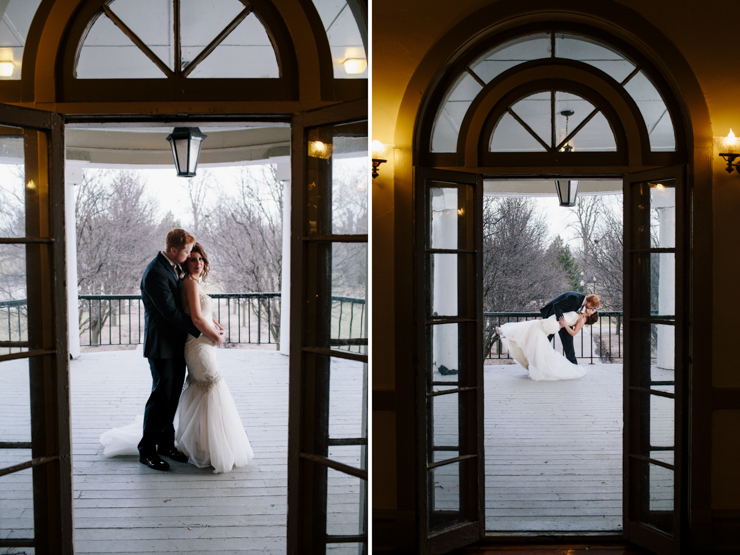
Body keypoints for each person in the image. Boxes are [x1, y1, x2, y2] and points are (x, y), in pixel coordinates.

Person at [137, 229, 225, 471]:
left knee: (172, 396)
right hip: (161, 346)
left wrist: (210, 323)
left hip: (176, 344)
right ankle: (147, 450)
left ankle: (165, 444)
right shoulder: (155, 272)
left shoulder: (173, 267)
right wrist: (204, 332)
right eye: (187, 252)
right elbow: (170, 313)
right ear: (173, 250)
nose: (189, 258)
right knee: (160, 397)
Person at [174, 243, 254, 473]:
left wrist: (219, 329)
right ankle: (210, 448)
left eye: (200, 259)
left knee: (205, 389)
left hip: (206, 345)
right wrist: (217, 339)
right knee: (211, 384)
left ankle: (202, 444)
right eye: (192, 259)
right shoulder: (188, 282)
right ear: (186, 262)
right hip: (197, 346)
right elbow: (197, 319)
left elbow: (207, 314)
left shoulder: (196, 282)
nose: (198, 263)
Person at [496, 306, 598, 381]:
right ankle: (508, 333)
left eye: (593, 310)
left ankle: (507, 333)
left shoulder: (582, 319)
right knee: (533, 330)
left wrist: (566, 325)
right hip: (552, 321)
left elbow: (573, 333)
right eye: (592, 308)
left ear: (591, 315)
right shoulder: (579, 312)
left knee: (534, 328)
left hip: (554, 325)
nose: (591, 308)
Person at [540, 293, 600, 364]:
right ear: (589, 303)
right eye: (592, 307)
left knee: (568, 344)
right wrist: (561, 322)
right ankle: (538, 360)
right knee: (545, 342)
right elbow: (557, 305)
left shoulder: (581, 301)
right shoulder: (575, 298)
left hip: (563, 322)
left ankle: (573, 365)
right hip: (554, 317)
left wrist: (566, 323)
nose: (592, 308)